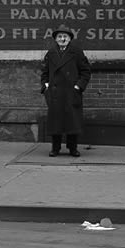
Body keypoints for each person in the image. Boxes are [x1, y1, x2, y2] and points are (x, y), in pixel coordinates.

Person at [40, 27, 92, 157]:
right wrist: (46, 86)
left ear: (69, 39)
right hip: (55, 93)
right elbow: (44, 72)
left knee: (72, 121)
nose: (62, 39)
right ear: (56, 39)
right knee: (55, 122)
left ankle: (73, 148)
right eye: (59, 37)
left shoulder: (77, 52)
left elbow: (85, 71)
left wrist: (78, 87)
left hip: (71, 92)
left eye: (65, 37)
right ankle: (55, 148)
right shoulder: (51, 53)